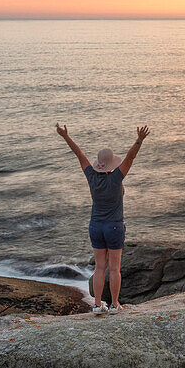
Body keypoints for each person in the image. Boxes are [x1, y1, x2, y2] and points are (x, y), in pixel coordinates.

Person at [56, 123, 151, 315]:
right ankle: (115, 304)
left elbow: (79, 154)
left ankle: (97, 305)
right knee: (114, 268)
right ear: (111, 164)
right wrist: (139, 140)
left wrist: (65, 136)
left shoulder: (91, 176)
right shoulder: (117, 177)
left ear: (99, 163)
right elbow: (130, 157)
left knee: (99, 267)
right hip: (114, 227)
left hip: (96, 226)